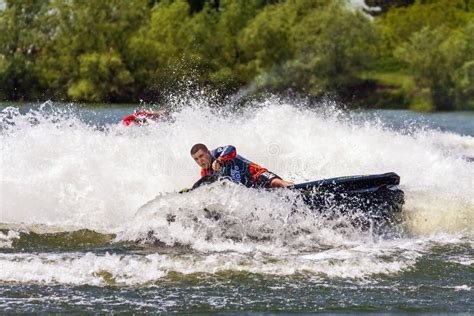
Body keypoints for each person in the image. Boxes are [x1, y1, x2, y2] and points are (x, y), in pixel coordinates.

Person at [190, 143, 293, 188]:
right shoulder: (205, 173)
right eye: (196, 159)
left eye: (201, 156)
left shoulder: (217, 153)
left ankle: (295, 188)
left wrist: (219, 161)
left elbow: (231, 148)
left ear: (208, 152)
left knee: (276, 183)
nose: (200, 160)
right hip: (251, 189)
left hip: (255, 174)